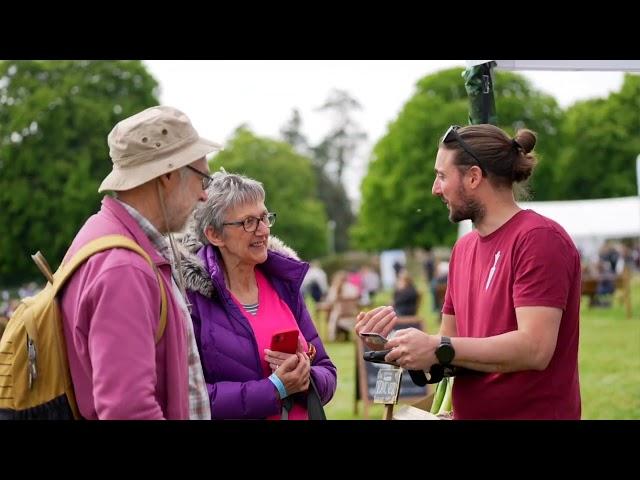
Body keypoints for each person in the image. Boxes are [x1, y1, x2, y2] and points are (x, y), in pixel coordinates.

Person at [356, 124, 581, 420]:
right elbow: (453, 350)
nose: (435, 188)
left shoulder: (539, 238)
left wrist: (438, 347)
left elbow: (535, 348)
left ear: (473, 176)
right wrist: (396, 348)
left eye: (441, 176)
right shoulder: (463, 250)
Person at [60, 106, 222, 419]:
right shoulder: (124, 268)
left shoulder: (105, 236)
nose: (205, 196)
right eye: (204, 179)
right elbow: (128, 411)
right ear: (168, 176)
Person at [180, 171, 337, 419]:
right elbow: (189, 398)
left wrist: (307, 376)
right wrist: (273, 389)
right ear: (215, 234)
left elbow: (327, 371)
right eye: (248, 222)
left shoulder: (283, 284)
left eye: (264, 217)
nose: (263, 230)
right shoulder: (191, 299)